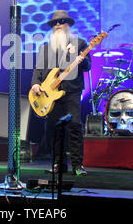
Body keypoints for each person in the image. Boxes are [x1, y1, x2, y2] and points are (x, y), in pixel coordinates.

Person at [30, 10, 91, 176]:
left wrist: (80, 59)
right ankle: (58, 163)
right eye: (55, 23)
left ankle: (78, 165)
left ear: (68, 24)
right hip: (50, 95)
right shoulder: (45, 48)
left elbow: (87, 66)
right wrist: (35, 84)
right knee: (54, 129)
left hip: (71, 91)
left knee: (75, 126)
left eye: (62, 21)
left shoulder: (79, 44)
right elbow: (38, 69)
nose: (58, 25)